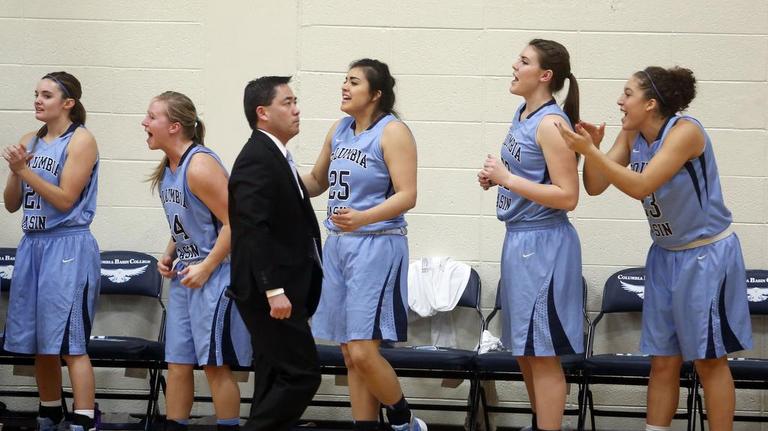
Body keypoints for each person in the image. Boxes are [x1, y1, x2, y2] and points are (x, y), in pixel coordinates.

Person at [556, 65, 752, 431]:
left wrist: (590, 152)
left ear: (650, 103)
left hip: (705, 254)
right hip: (664, 254)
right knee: (663, 360)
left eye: (627, 94)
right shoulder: (632, 134)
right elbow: (596, 185)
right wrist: (594, 150)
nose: (619, 100)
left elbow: (642, 185)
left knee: (710, 362)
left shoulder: (685, 132)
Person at [302, 59, 421, 431]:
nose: (344, 87)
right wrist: (275, 177)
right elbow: (316, 182)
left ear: (376, 94)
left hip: (377, 244)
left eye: (353, 82)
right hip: (338, 245)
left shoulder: (393, 131)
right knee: (348, 354)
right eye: (345, 80)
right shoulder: (339, 130)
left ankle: (404, 420)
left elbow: (408, 195)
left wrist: (364, 217)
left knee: (363, 350)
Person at [477, 40, 583, 431]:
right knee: (523, 351)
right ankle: (542, 423)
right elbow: (528, 178)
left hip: (545, 244)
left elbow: (568, 196)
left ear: (545, 75)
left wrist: (509, 179)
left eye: (523, 60)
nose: (513, 65)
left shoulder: (552, 124)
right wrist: (498, 181)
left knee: (543, 353)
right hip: (518, 239)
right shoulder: (522, 113)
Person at [142, 91, 251, 431]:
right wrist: (169, 252)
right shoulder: (168, 168)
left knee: (215, 366)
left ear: (174, 127)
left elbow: (237, 223)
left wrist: (206, 266)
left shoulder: (200, 165)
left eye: (151, 116)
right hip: (187, 275)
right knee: (177, 363)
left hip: (216, 274)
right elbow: (186, 221)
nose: (144, 122)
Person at [2, 71, 100, 431]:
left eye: (46, 95)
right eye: (36, 94)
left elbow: (64, 199)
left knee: (70, 342)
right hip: (33, 245)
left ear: (68, 103)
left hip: (68, 246)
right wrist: (14, 173)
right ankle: (50, 411)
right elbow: (11, 204)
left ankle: (84, 418)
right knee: (40, 340)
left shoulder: (81, 140)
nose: (37, 100)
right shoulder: (31, 139)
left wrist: (23, 171)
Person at [227, 76, 323, 431]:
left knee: (275, 374)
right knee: (302, 374)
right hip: (268, 291)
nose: (296, 110)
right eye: (288, 102)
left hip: (280, 288)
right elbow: (253, 229)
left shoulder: (276, 155)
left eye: (296, 101)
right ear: (262, 113)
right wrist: (273, 289)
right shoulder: (256, 158)